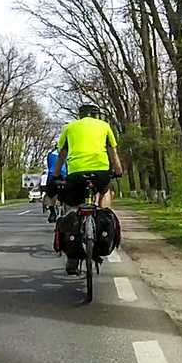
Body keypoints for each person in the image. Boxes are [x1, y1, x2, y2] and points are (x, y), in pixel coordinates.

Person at [48, 102, 123, 274]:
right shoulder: (105, 126)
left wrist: (57, 174)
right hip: (100, 173)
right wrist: (118, 171)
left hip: (76, 174)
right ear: (96, 115)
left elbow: (62, 153)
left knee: (73, 206)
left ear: (80, 115)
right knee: (105, 191)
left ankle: (72, 256)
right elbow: (112, 152)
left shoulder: (69, 127)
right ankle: (104, 217)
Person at [44, 142, 67, 223]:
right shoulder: (69, 153)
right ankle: (67, 211)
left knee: (49, 194)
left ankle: (52, 213)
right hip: (65, 176)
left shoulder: (50, 154)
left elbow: (49, 166)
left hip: (53, 176)